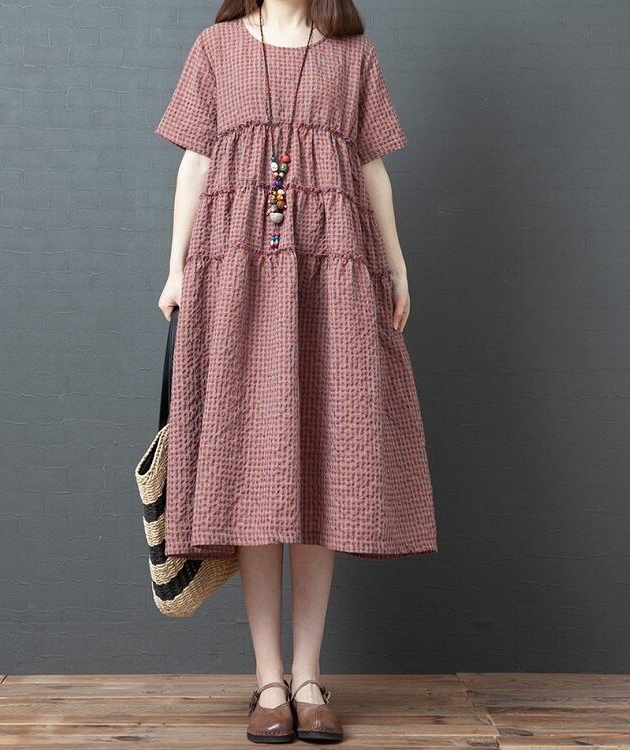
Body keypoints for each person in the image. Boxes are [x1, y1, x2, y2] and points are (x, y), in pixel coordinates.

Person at [154, 0, 438, 743]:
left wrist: (398, 267)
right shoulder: (216, 47)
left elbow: (371, 168)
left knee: (323, 469)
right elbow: (195, 161)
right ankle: (269, 679)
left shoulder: (351, 54)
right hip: (237, 275)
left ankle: (309, 676)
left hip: (330, 277)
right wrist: (176, 268)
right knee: (256, 475)